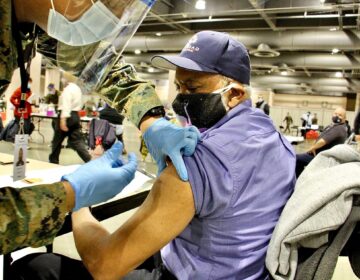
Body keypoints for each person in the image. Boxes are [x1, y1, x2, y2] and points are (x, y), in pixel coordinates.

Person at [12, 31, 296, 280]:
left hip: (190, 273)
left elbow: (105, 265)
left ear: (234, 94)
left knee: (33, 265)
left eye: (193, 89)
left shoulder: (197, 159)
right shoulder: (275, 139)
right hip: (245, 269)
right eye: (179, 87)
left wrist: (78, 200)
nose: (180, 99)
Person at [0, 0, 199, 255]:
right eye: (112, 4)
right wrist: (69, 195)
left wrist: (152, 121)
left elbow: (100, 67)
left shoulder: (36, 23)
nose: (113, 17)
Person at [48, 74, 91, 164]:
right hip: (75, 116)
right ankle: (89, 160)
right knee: (77, 142)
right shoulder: (78, 89)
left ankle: (53, 162)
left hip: (67, 116)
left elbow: (66, 105)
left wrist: (63, 120)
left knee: (57, 142)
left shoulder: (68, 89)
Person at [295, 107, 347, 178]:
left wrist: (313, 147)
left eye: (340, 115)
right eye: (335, 113)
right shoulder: (334, 126)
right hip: (320, 154)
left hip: (321, 157)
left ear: (344, 118)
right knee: (299, 159)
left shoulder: (339, 129)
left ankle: (298, 181)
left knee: (296, 158)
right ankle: (301, 179)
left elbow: (323, 141)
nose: (336, 116)